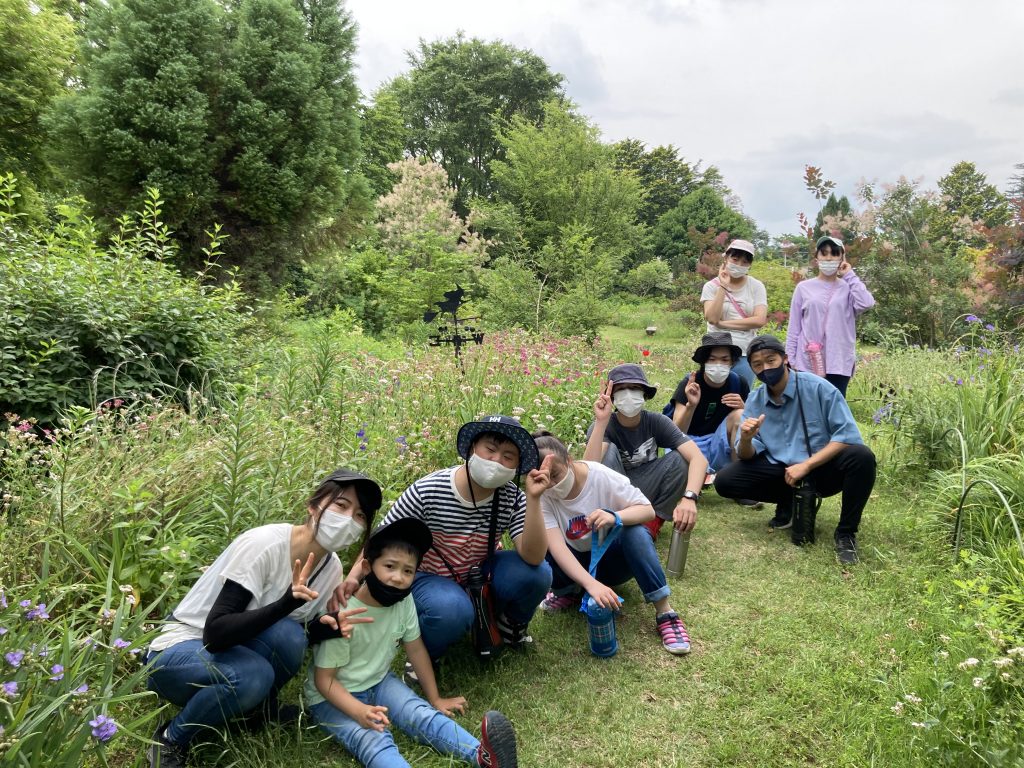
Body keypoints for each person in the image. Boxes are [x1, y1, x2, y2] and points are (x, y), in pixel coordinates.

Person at [145, 468, 381, 768]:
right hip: (175, 652)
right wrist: (284, 604)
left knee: (290, 636)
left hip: (227, 650)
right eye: (341, 505)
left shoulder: (330, 567)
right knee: (254, 675)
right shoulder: (264, 545)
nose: (348, 520)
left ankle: (255, 710)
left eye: (360, 515)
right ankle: (171, 737)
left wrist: (327, 630)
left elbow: (288, 635)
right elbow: (215, 634)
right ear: (312, 506)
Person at [308, 517, 519, 768]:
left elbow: (416, 649)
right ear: (366, 567)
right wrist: (358, 711)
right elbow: (325, 681)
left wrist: (436, 699)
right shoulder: (345, 613)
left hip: (378, 680)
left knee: (421, 715)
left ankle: (483, 757)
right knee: (375, 739)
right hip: (331, 697)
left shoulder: (403, 601)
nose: (398, 577)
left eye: (408, 570)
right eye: (389, 566)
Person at [339, 416, 551, 660]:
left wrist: (534, 498)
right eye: (490, 449)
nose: (496, 461)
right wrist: (354, 578)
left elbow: (534, 557)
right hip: (429, 577)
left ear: (516, 466)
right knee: (451, 609)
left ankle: (509, 627)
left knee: (538, 574)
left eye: (508, 456)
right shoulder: (428, 490)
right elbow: (382, 537)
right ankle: (426, 654)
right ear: (473, 448)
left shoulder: (512, 497)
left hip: (478, 573)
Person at [712, 335, 877, 565]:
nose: (765, 368)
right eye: (757, 365)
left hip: (820, 468)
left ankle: (846, 533)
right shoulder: (755, 400)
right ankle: (790, 502)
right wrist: (747, 439)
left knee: (862, 457)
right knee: (726, 481)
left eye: (771, 360)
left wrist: (807, 465)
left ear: (786, 359)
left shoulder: (819, 388)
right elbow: (746, 455)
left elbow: (846, 436)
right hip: (783, 472)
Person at [533, 431, 692, 655]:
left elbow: (647, 510)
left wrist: (615, 516)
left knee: (635, 532)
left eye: (556, 474)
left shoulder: (598, 475)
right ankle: (566, 591)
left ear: (569, 459)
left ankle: (665, 612)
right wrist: (591, 584)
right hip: (575, 561)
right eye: (543, 479)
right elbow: (558, 549)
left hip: (611, 561)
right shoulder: (542, 496)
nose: (551, 485)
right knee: (541, 537)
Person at [583, 364, 708, 541]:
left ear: (644, 393)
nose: (628, 394)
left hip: (646, 486)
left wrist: (689, 498)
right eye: (621, 389)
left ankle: (653, 521)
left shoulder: (656, 422)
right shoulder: (602, 426)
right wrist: (601, 422)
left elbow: (698, 459)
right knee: (608, 450)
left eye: (634, 388)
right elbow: (588, 469)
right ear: (611, 396)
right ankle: (612, 519)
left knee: (681, 459)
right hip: (614, 491)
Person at [786, 235, 875, 398]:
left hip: (838, 361)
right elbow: (794, 327)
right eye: (824, 253)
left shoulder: (848, 287)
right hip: (807, 360)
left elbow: (867, 303)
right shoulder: (803, 288)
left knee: (834, 412)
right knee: (807, 410)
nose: (829, 258)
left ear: (842, 258)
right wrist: (791, 360)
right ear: (816, 257)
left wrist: (849, 274)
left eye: (834, 254)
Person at [666, 331, 749, 477]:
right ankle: (696, 475)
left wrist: (745, 409)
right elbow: (677, 432)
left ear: (732, 362)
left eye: (724, 360)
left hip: (718, 441)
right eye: (712, 359)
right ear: (703, 362)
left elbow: (752, 425)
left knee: (741, 416)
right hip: (689, 442)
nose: (718, 365)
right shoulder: (690, 384)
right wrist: (690, 406)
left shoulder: (738, 383)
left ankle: (737, 479)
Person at [700, 238, 768, 387]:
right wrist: (723, 287)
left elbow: (759, 320)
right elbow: (711, 318)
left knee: (740, 397)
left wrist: (723, 324)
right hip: (715, 352)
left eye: (745, 262)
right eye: (735, 259)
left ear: (750, 265)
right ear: (726, 258)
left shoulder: (756, 286)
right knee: (712, 396)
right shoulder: (711, 287)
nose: (739, 265)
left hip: (744, 352)